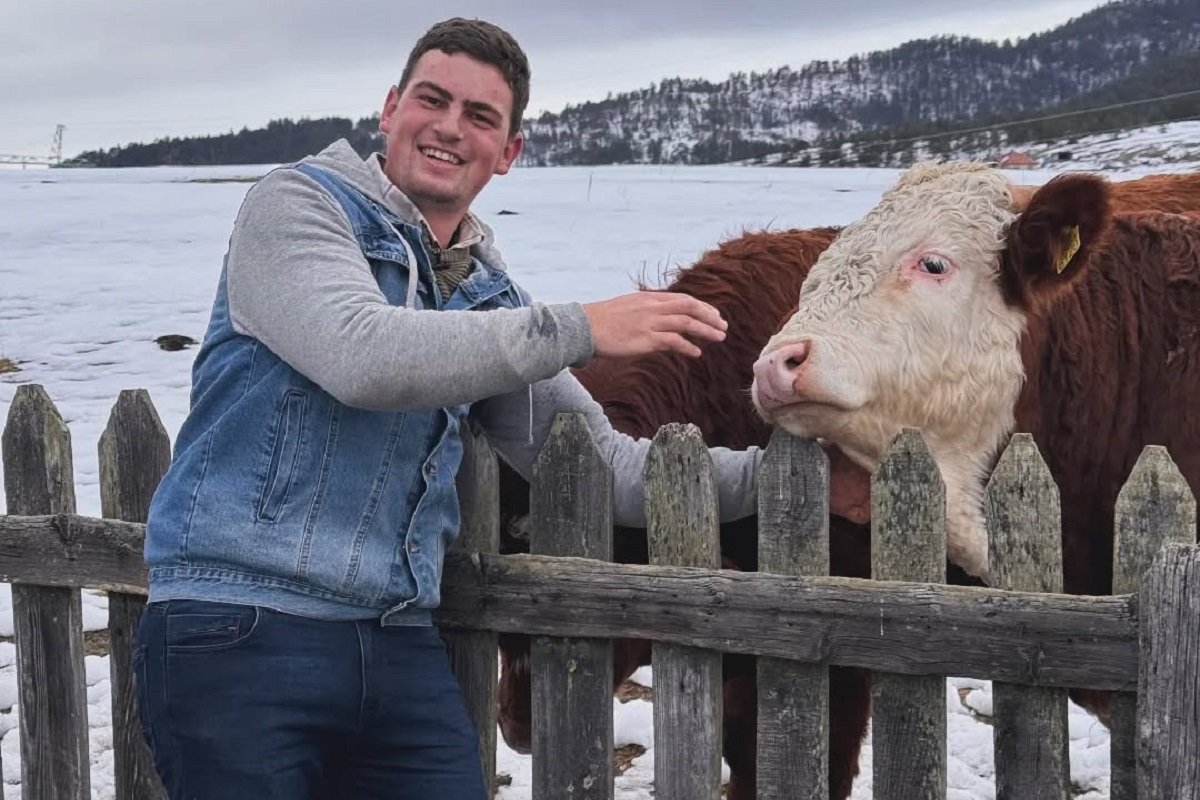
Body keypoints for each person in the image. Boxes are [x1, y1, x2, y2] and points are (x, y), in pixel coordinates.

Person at [135, 16, 762, 800]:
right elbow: (360, 356)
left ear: (508, 154)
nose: (448, 127)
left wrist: (793, 476)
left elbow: (606, 465)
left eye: (480, 117)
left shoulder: (479, 292)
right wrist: (581, 328)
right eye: (432, 99)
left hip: (395, 640)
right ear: (391, 108)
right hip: (243, 629)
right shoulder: (297, 207)